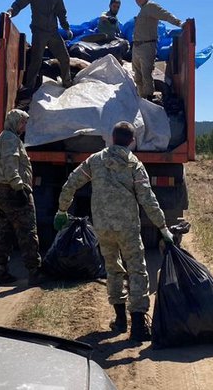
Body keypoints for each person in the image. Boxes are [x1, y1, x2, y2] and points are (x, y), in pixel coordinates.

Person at [53, 121, 174, 342]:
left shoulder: (95, 160)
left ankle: (119, 320)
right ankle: (138, 326)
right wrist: (163, 227)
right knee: (136, 269)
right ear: (132, 141)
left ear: (111, 137)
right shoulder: (133, 164)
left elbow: (72, 182)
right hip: (127, 227)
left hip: (103, 226)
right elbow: (148, 199)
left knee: (112, 268)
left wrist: (62, 209)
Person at [0, 109, 43, 286]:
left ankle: (1, 271)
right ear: (15, 121)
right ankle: (34, 272)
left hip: (3, 191)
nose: (24, 126)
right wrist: (19, 187)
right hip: (14, 190)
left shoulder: (5, 137)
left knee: (4, 231)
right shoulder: (10, 139)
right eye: (23, 122)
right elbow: (10, 164)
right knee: (28, 231)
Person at [6, 0, 73, 90]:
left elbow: (61, 13)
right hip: (39, 32)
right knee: (36, 61)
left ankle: (67, 83)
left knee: (65, 58)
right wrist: (11, 11)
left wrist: (66, 28)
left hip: (53, 33)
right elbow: (21, 2)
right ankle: (29, 89)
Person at [131, 0, 183, 99]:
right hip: (137, 46)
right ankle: (142, 98)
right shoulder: (143, 10)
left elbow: (165, 14)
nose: (135, 1)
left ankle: (149, 98)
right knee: (137, 75)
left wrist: (179, 23)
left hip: (147, 45)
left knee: (146, 74)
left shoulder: (151, 7)